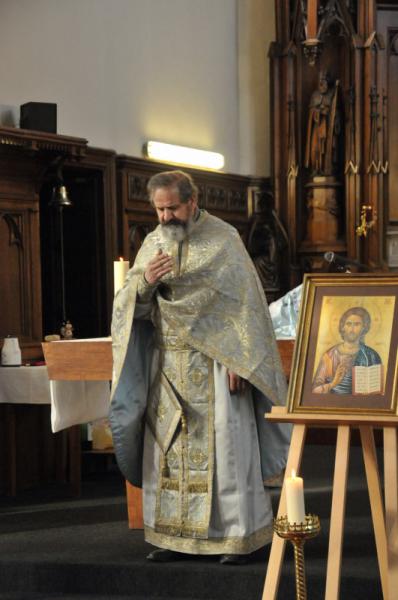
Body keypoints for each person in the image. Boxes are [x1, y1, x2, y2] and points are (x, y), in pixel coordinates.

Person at [110, 170, 291, 565]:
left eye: (172, 207)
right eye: (159, 209)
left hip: (216, 365)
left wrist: (240, 359)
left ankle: (237, 538)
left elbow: (244, 307)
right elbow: (132, 309)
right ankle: (174, 538)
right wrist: (143, 285)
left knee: (225, 450)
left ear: (192, 201)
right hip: (168, 365)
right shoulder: (153, 243)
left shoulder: (224, 239)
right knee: (169, 452)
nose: (165, 217)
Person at [312, 307, 382, 394]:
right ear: (342, 327)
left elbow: (377, 392)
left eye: (357, 324)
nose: (352, 329)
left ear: (364, 328)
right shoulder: (330, 356)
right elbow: (314, 390)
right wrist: (333, 383)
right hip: (332, 403)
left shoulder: (371, 356)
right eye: (348, 324)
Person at [304, 71, 340, 176]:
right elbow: (311, 112)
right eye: (320, 82)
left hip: (328, 127)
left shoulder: (331, 95)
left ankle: (327, 168)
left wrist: (333, 115)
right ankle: (316, 168)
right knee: (315, 147)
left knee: (328, 147)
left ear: (327, 83)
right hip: (317, 126)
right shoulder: (314, 96)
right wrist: (318, 112)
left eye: (324, 82)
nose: (322, 85)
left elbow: (336, 111)